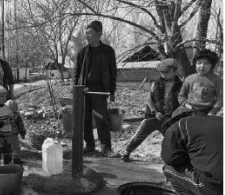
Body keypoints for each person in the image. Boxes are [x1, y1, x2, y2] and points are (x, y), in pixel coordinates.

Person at [161, 86, 223, 195]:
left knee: (169, 170)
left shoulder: (183, 124)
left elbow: (170, 158)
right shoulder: (222, 121)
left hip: (216, 190)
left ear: (190, 104)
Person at [121, 58, 183, 162]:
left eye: (166, 72)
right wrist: (155, 111)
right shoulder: (156, 83)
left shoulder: (181, 86)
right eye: (161, 71)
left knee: (173, 139)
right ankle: (127, 152)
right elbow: (149, 99)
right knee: (139, 136)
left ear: (175, 71)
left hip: (170, 118)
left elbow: (182, 102)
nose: (163, 74)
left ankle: (174, 159)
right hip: (153, 116)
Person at [73, 20, 118, 157]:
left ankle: (106, 148)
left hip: (100, 90)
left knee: (101, 119)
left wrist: (112, 91)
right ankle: (90, 145)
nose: (87, 36)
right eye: (86, 33)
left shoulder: (108, 51)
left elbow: (113, 71)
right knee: (85, 119)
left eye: (90, 33)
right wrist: (76, 89)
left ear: (99, 34)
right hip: (84, 90)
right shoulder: (83, 52)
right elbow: (77, 72)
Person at [178, 49, 223, 115]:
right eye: (199, 63)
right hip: (190, 109)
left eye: (206, 63)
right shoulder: (189, 78)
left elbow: (221, 98)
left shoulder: (217, 80)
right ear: (195, 64)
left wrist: (213, 111)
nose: (202, 66)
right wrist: (186, 105)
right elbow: (181, 95)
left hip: (208, 111)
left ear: (212, 65)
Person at [5, 100, 26, 165]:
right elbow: (20, 125)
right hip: (14, 135)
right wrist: (22, 133)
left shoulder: (4, 115)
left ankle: (7, 160)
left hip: (5, 135)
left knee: (8, 148)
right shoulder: (17, 116)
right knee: (16, 148)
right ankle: (16, 159)